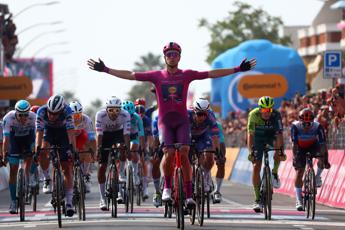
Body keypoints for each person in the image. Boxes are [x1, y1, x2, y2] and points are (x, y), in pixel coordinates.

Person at [88, 41, 256, 207]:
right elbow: (131, 75)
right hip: (165, 122)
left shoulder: (187, 74)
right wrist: (106, 69)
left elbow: (211, 73)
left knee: (184, 154)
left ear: (179, 57)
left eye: (175, 54)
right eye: (169, 54)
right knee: (168, 153)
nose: (172, 57)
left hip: (182, 121)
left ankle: (189, 195)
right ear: (165, 57)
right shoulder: (157, 76)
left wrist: (237, 69)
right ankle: (167, 188)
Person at [35, 95, 77, 217]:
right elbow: (39, 132)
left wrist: (72, 149)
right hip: (48, 131)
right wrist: (37, 149)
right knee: (42, 150)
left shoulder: (67, 111)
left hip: (63, 133)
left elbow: (71, 132)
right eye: (50, 113)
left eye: (55, 114)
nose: (52, 116)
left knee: (66, 168)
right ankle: (47, 179)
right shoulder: (41, 111)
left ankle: (69, 203)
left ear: (61, 111)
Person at [247, 96, 286, 212]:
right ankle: (257, 198)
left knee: (278, 151)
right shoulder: (253, 115)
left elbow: (279, 135)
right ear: (260, 109)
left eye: (269, 110)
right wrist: (251, 152)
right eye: (264, 110)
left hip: (271, 136)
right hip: (258, 138)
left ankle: (274, 172)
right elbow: (250, 135)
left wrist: (280, 151)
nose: (267, 113)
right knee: (256, 166)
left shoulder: (276, 115)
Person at [291, 108, 330, 211]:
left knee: (322, 156)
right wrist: (295, 158)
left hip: (313, 145)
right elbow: (294, 145)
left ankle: (317, 176)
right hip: (300, 147)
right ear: (300, 121)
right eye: (304, 124)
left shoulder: (318, 126)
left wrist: (325, 159)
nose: (307, 126)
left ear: (313, 121)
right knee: (299, 171)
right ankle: (299, 200)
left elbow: (323, 145)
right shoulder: (295, 126)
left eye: (309, 124)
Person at [95, 96, 131, 210]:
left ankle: (120, 173)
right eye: (111, 110)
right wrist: (98, 149)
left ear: (120, 110)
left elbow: (126, 134)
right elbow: (99, 135)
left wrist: (128, 150)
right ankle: (102, 199)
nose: (114, 113)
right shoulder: (100, 115)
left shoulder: (125, 115)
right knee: (102, 167)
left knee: (122, 147)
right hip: (105, 136)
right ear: (106, 110)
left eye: (117, 110)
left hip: (118, 134)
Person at [2, 100, 36, 214]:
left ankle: (29, 175)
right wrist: (5, 154)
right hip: (14, 141)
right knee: (13, 170)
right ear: (16, 113)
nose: (23, 117)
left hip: (28, 140)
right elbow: (6, 139)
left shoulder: (33, 117)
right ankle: (13, 201)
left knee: (32, 153)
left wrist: (35, 150)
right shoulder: (9, 117)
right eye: (20, 115)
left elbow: (37, 136)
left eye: (26, 114)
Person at [188, 98, 219, 194]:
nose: (202, 117)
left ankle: (205, 177)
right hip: (188, 136)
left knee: (210, 157)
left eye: (205, 114)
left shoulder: (211, 116)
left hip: (203, 136)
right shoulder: (187, 115)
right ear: (194, 111)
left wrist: (217, 151)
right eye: (199, 114)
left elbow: (215, 136)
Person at [69, 101, 96, 193]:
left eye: (78, 115)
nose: (76, 118)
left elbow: (91, 139)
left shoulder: (86, 120)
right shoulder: (66, 120)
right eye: (73, 116)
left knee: (86, 149)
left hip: (82, 138)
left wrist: (93, 152)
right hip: (69, 137)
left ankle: (86, 175)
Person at [213, 121, 226, 203]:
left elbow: (221, 142)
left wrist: (220, 156)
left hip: (215, 141)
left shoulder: (216, 125)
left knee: (221, 162)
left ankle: (217, 191)